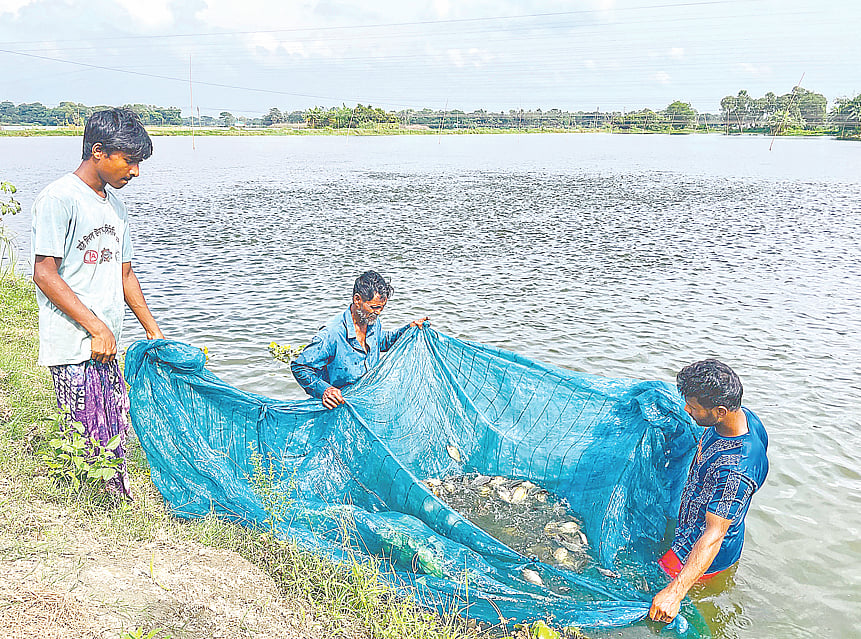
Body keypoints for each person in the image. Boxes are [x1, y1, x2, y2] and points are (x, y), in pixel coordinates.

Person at [31, 107, 164, 499]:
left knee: (115, 427)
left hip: (107, 344)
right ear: (98, 152)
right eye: (130, 161)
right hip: (76, 342)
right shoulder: (59, 199)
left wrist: (153, 331)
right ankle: (89, 505)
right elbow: (44, 274)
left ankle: (116, 502)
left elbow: (125, 274)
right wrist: (96, 327)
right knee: (85, 429)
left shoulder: (115, 208)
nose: (135, 172)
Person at [649, 359, 768, 624]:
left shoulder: (736, 471)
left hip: (703, 555)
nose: (686, 409)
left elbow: (714, 535)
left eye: (693, 407)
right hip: (692, 525)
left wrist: (675, 592)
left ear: (720, 410)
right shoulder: (744, 417)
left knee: (654, 593)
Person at [291, 270, 428, 409]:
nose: (379, 312)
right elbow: (300, 367)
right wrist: (325, 390)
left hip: (365, 400)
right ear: (357, 300)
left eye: (382, 308)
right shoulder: (331, 334)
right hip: (339, 406)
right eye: (374, 307)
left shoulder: (372, 322)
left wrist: (408, 330)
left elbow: (382, 341)